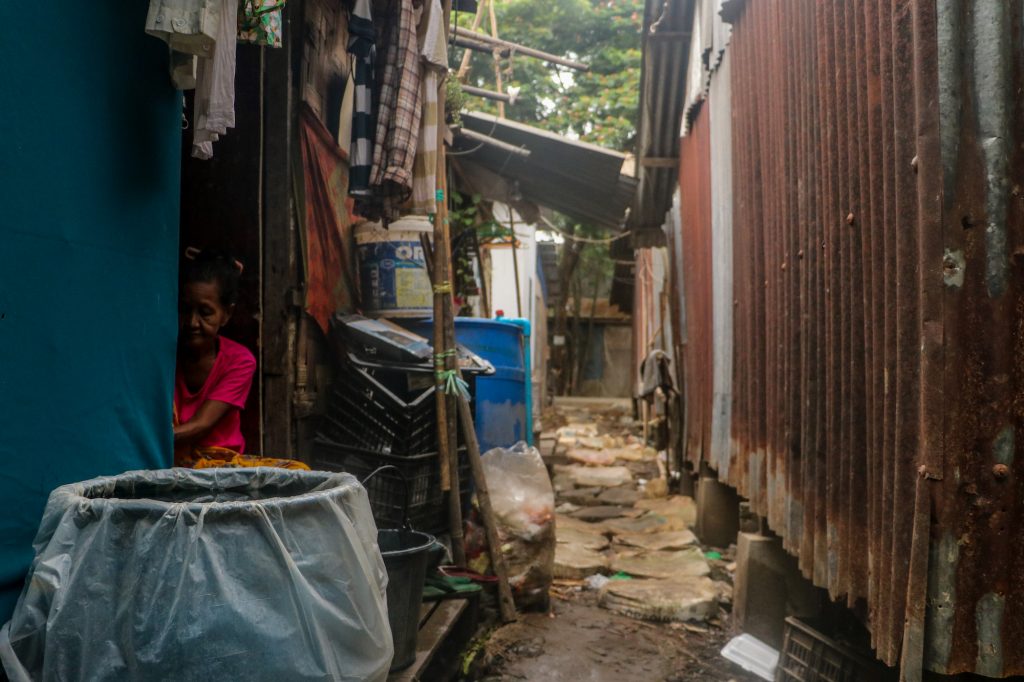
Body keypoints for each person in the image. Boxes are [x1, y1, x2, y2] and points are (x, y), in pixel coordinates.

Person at [173, 249, 256, 466]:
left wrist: (150, 440)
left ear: (226, 314)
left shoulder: (240, 361)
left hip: (221, 467)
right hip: (170, 460)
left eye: (205, 312)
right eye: (185, 310)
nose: (192, 322)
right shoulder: (163, 357)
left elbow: (202, 424)